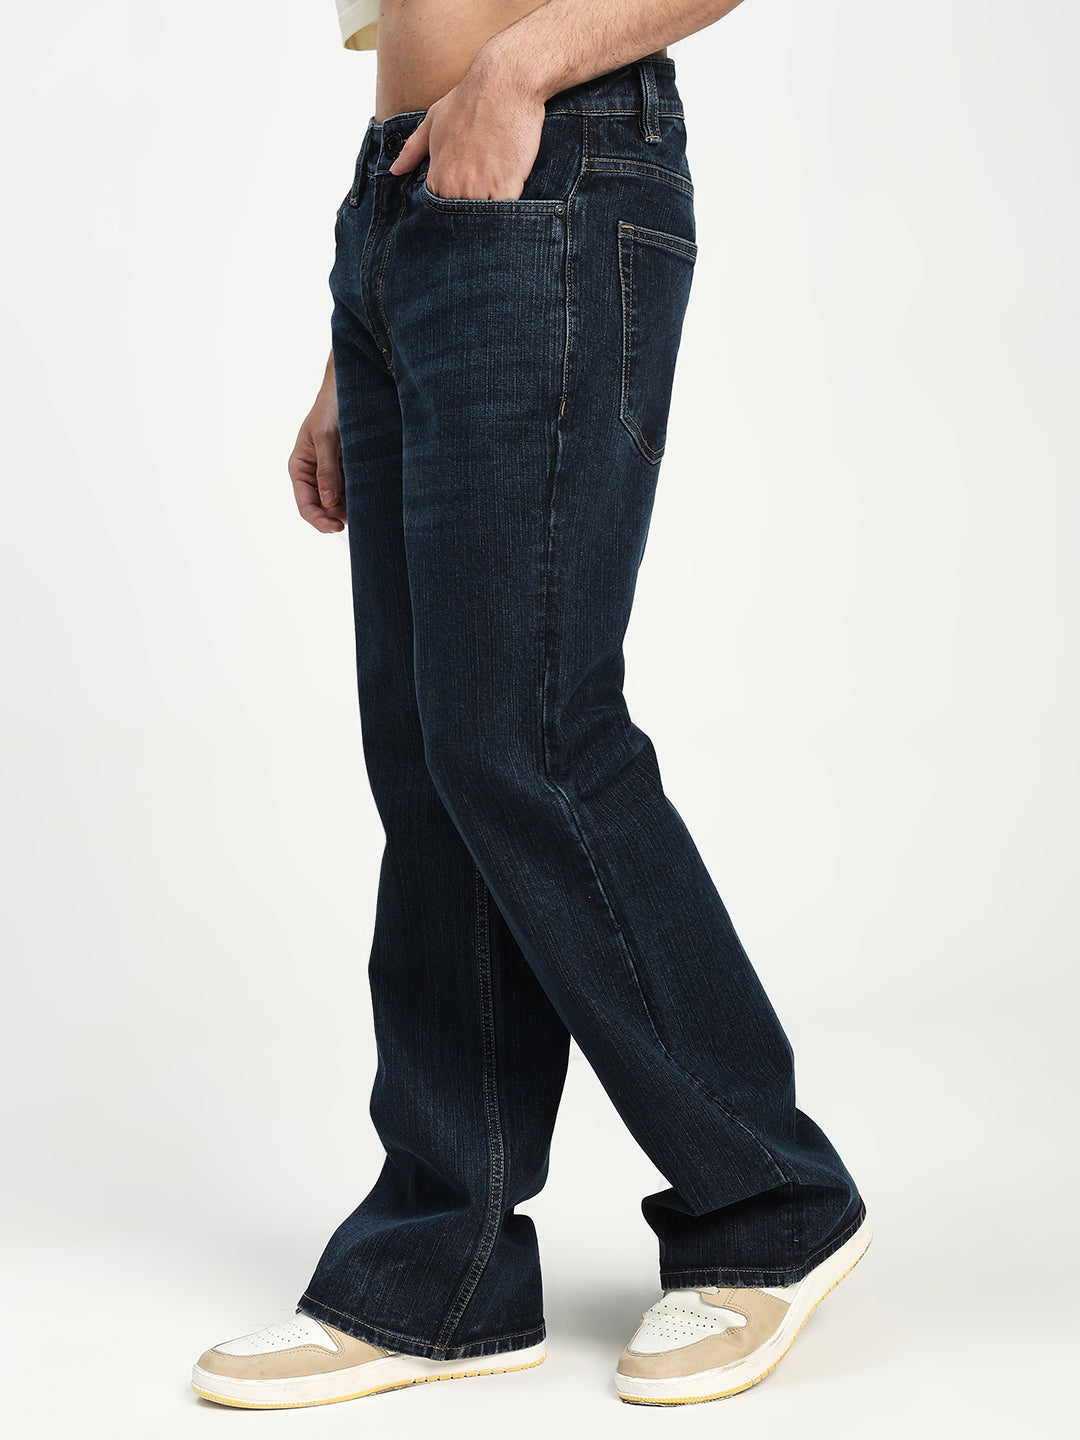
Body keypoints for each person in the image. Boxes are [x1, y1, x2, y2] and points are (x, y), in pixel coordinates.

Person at [191, 0, 870, 1410]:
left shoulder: (532, 99)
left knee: (530, 739)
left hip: (555, 153)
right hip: (410, 199)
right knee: (434, 762)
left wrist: (518, 72)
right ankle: (441, 1266)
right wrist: (364, 328)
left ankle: (772, 1202)